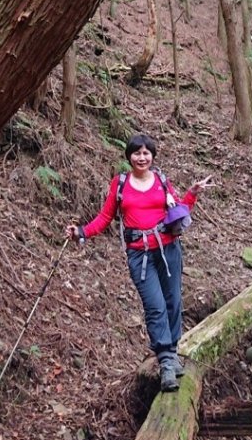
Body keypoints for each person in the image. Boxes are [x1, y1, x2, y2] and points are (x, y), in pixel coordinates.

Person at [66, 132, 213, 392]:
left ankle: (173, 351)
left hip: (169, 250)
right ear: (129, 156)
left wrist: (192, 194)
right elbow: (105, 217)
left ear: (152, 156)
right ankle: (167, 361)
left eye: (146, 153)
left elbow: (178, 210)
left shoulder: (162, 181)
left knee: (173, 302)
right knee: (155, 306)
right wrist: (82, 232)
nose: (142, 157)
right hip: (139, 255)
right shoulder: (120, 184)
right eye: (137, 153)